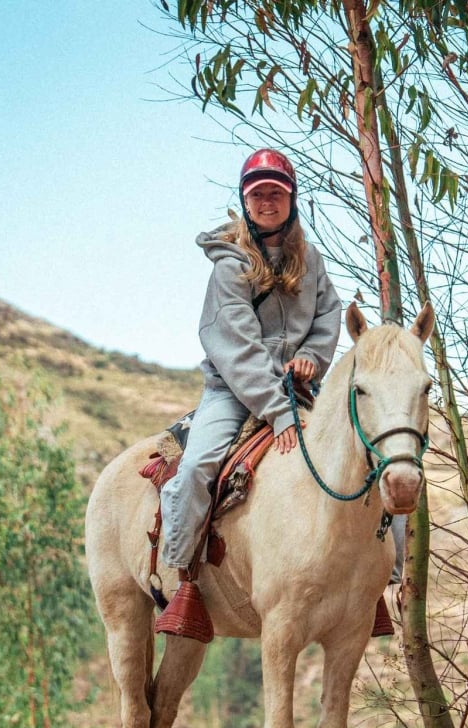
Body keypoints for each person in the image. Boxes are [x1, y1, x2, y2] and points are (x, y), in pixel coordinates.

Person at [157, 149, 341, 624]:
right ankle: (181, 577)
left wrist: (312, 358)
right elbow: (237, 349)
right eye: (258, 194)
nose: (267, 202)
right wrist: (279, 411)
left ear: (291, 200)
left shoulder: (311, 261)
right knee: (197, 466)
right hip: (234, 392)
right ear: (245, 201)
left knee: (363, 452)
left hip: (297, 389)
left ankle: (378, 580)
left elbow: (327, 315)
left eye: (276, 193)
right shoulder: (229, 266)